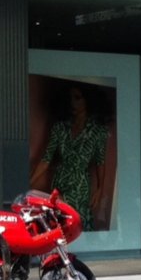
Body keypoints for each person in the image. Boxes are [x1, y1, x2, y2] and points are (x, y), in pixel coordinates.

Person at [30, 83, 109, 231]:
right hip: (59, 182)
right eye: (70, 98)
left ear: (87, 100)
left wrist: (100, 189)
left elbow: (100, 160)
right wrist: (29, 182)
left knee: (76, 223)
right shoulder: (60, 128)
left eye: (77, 98)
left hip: (80, 186)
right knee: (59, 226)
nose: (73, 103)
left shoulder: (97, 131)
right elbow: (46, 158)